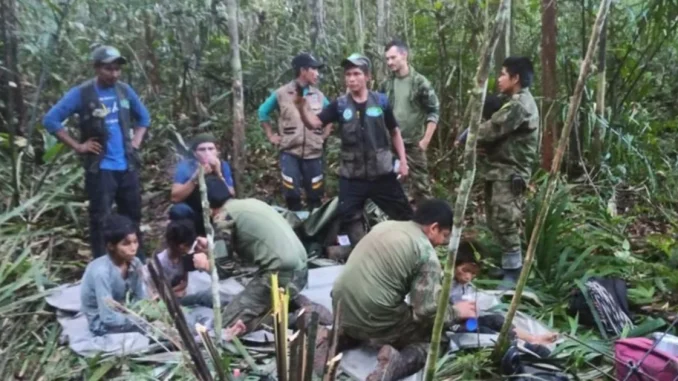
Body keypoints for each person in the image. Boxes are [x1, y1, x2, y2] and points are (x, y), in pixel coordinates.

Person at [328, 199, 477, 381]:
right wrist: (455, 312)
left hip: (340, 306)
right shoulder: (425, 254)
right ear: (434, 228)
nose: (443, 242)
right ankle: (394, 365)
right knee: (436, 340)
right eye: (444, 236)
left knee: (372, 313)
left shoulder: (386, 226)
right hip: (374, 316)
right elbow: (425, 311)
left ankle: (336, 340)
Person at [43, 45, 151, 261]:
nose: (114, 74)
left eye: (117, 69)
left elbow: (144, 118)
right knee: (100, 218)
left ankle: (137, 261)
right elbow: (51, 120)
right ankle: (103, 263)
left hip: (127, 166)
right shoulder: (82, 94)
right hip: (101, 169)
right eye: (108, 69)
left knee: (132, 216)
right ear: (96, 68)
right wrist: (78, 146)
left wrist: (136, 143)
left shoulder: (124, 91)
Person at [295, 53, 413, 247]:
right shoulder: (340, 105)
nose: (351, 78)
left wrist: (403, 162)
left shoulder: (381, 101)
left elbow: (394, 132)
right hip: (352, 175)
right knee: (348, 214)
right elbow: (314, 123)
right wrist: (300, 106)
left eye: (356, 74)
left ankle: (410, 249)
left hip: (381, 173)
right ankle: (363, 250)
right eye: (348, 74)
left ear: (367, 77)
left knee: (404, 214)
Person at [197, 177, 313, 336]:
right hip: (301, 271)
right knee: (245, 305)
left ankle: (295, 318)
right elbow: (249, 248)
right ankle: (290, 305)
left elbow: (224, 270)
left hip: (279, 276)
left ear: (207, 207)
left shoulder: (223, 218)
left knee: (225, 324)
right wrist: (212, 247)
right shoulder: (250, 203)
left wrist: (204, 264)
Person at [476, 57, 540, 288]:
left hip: (511, 172)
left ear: (516, 78)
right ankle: (507, 265)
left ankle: (514, 271)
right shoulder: (511, 101)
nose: (499, 79)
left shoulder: (520, 105)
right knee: (495, 218)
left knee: (506, 219)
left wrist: (469, 134)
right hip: (499, 169)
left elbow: (492, 129)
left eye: (503, 74)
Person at [449, 239, 558, 352]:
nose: (468, 277)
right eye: (465, 270)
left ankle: (532, 339)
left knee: (496, 320)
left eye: (473, 274)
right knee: (482, 331)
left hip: (468, 322)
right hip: (453, 327)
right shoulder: (443, 283)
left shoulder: (463, 285)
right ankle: (519, 347)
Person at [258, 53, 332, 211]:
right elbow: (263, 112)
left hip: (314, 153)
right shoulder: (282, 93)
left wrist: (324, 135)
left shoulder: (319, 96)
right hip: (290, 152)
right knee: (291, 193)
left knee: (315, 193)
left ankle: (314, 228)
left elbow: (330, 115)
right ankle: (294, 226)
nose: (317, 74)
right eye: (314, 70)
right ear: (303, 70)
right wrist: (271, 135)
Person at [381, 39, 440, 208]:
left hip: (414, 145)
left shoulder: (420, 82)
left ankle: (429, 227)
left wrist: (425, 141)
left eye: (393, 58)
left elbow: (434, 110)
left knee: (422, 189)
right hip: (391, 145)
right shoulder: (386, 84)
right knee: (394, 188)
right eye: (387, 59)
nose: (389, 62)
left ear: (404, 55)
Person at [80, 214, 146, 336]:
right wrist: (139, 320)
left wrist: (143, 313)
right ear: (111, 246)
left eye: (135, 242)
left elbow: (141, 298)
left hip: (126, 312)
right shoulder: (102, 272)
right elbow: (108, 317)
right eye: (126, 244)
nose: (133, 248)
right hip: (102, 323)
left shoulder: (135, 263)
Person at [170, 133, 235, 235]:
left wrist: (218, 173)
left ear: (217, 152)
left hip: (218, 211)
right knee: (178, 211)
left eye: (210, 149)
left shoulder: (223, 165)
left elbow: (231, 194)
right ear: (195, 153)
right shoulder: (186, 166)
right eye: (202, 149)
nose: (207, 153)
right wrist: (195, 177)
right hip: (195, 210)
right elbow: (175, 197)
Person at [145, 219, 215, 307]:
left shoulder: (185, 256)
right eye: (188, 245)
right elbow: (156, 294)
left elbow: (185, 283)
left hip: (179, 294)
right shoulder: (160, 264)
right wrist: (174, 292)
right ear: (181, 246)